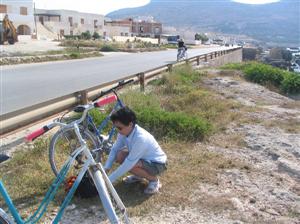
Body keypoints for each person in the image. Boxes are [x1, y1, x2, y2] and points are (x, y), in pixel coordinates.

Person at [104, 107, 167, 194]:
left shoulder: (141, 138)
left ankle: (154, 180)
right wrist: (106, 168)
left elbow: (129, 163)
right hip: (143, 159)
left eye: (119, 128)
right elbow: (115, 148)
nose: (118, 131)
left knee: (131, 164)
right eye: (116, 128)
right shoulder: (124, 132)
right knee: (120, 155)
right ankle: (139, 176)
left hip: (158, 164)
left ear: (130, 124)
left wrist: (108, 181)